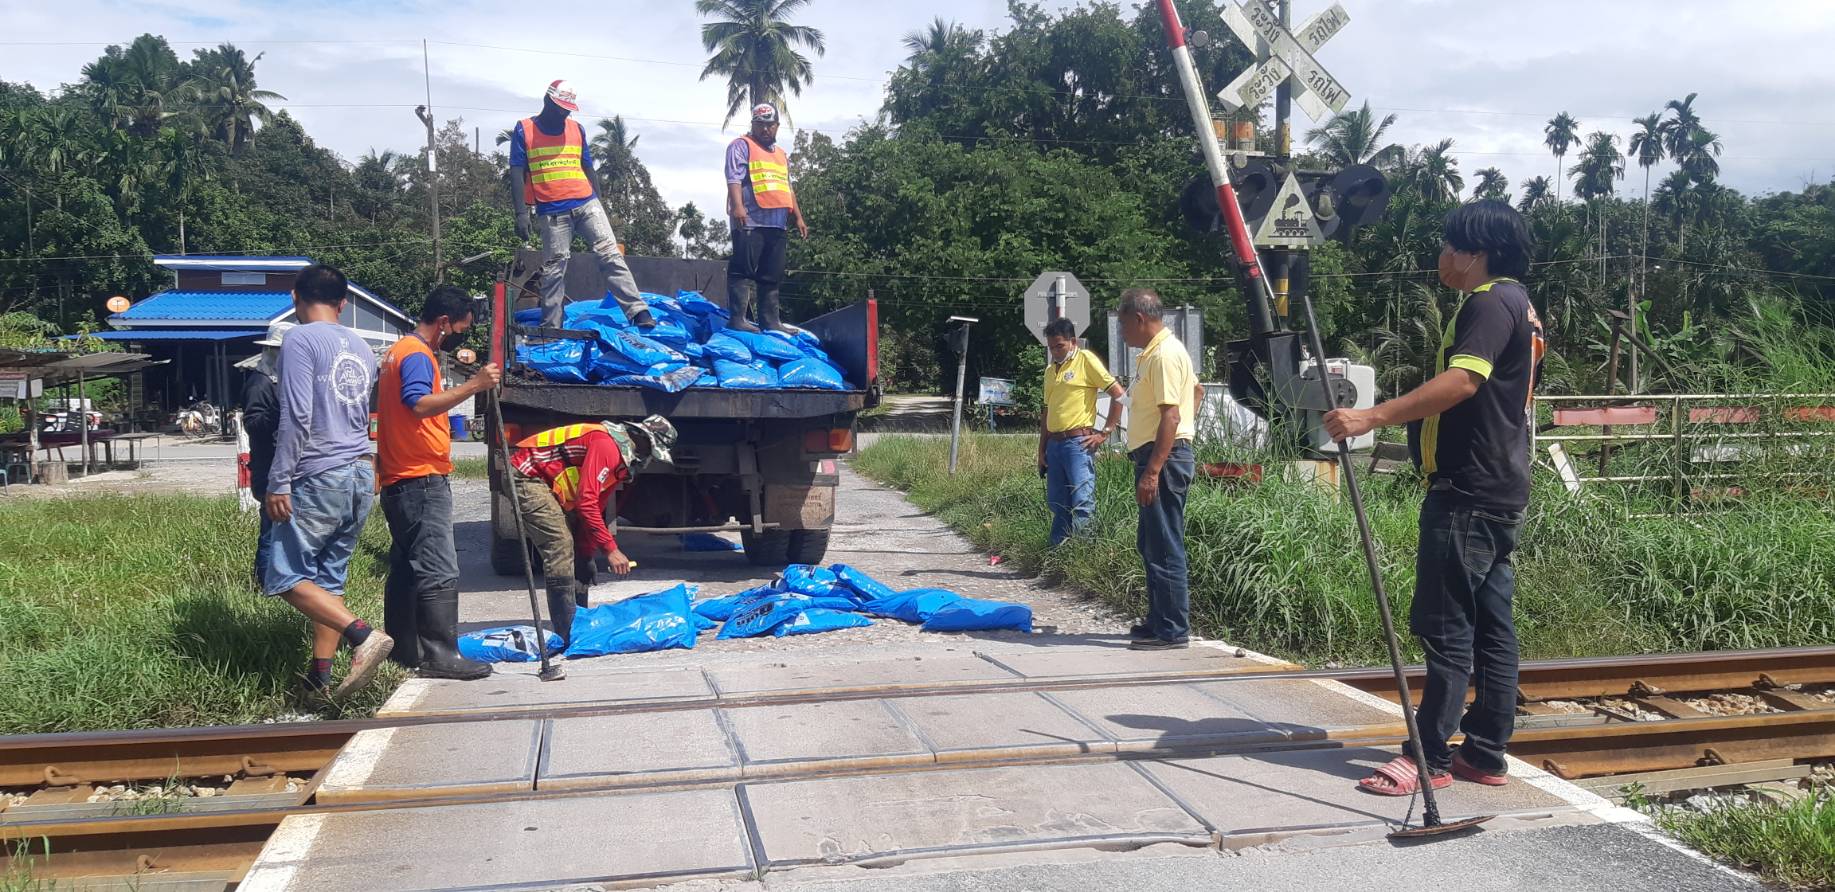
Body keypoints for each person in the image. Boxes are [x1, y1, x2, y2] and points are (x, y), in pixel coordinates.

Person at [1323, 199, 1541, 795]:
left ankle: (1430, 758)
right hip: (1499, 486)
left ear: (1474, 253)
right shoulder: (1519, 302)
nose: (1441, 257)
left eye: (1449, 246)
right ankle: (1486, 752)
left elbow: (1463, 381)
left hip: (1467, 488)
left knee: (1446, 626)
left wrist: (1372, 416)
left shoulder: (1489, 301)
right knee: (1492, 626)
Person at [264, 264, 393, 698]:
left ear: (295, 295)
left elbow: (297, 415)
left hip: (318, 473)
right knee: (327, 583)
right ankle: (318, 680)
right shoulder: (361, 344)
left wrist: (279, 480)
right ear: (343, 303)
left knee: (281, 575)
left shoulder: (298, 339)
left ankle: (362, 636)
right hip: (358, 472)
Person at [375, 286, 502, 680]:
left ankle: (403, 647)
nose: (458, 338)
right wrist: (473, 386)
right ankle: (441, 655)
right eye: (459, 330)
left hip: (402, 474)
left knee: (407, 566)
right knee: (438, 566)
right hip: (420, 477)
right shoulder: (415, 354)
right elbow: (417, 404)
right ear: (443, 322)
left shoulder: (397, 351)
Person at [507, 415, 677, 648]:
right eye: (650, 449)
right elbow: (586, 501)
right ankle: (565, 632)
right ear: (640, 437)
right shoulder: (606, 445)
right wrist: (611, 550)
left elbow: (594, 506)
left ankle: (577, 621)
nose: (648, 458)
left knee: (575, 549)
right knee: (559, 543)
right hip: (526, 474)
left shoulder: (621, 463)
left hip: (547, 480)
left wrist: (586, 555)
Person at [509, 79, 653, 332]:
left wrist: (599, 203)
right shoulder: (525, 129)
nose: (564, 113)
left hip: (586, 203)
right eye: (560, 108)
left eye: (568, 109)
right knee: (554, 269)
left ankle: (638, 311)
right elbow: (516, 170)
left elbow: (588, 167)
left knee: (610, 255)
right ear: (547, 101)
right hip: (552, 210)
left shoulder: (576, 129)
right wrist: (522, 212)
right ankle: (551, 326)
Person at [1117, 289, 1198, 651]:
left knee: (1164, 545)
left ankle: (1172, 629)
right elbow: (1196, 392)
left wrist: (1153, 470)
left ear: (1139, 319)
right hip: (1160, 454)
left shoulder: (1164, 355)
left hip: (1162, 458)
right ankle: (1158, 619)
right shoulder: (1156, 354)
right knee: (1150, 541)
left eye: (1122, 324)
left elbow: (1172, 414)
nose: (1121, 332)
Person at [1037, 317, 1124, 546]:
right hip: (1054, 444)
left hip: (1078, 442)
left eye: (1060, 346)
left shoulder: (1085, 360)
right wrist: (1041, 450)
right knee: (1058, 504)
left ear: (1073, 341)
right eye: (1051, 347)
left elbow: (1119, 395)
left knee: (1082, 502)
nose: (1055, 351)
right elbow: (1046, 412)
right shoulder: (1049, 371)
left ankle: (1082, 553)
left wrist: (1105, 432)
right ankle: (1057, 555)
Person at [724, 102, 808, 333]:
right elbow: (734, 179)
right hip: (750, 219)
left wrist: (798, 218)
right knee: (743, 269)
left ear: (777, 126)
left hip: (777, 223)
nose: (765, 129)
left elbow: (788, 187)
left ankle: (770, 321)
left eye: (769, 125)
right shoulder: (741, 146)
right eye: (760, 125)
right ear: (753, 124)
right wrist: (738, 207)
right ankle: (738, 319)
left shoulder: (781, 155)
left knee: (772, 274)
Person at [241, 320, 293, 588]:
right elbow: (253, 424)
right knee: (271, 531)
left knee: (283, 530)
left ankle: (281, 582)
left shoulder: (279, 382)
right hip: (268, 467)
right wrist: (279, 413)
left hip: (279, 466)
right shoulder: (261, 383)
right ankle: (266, 584)